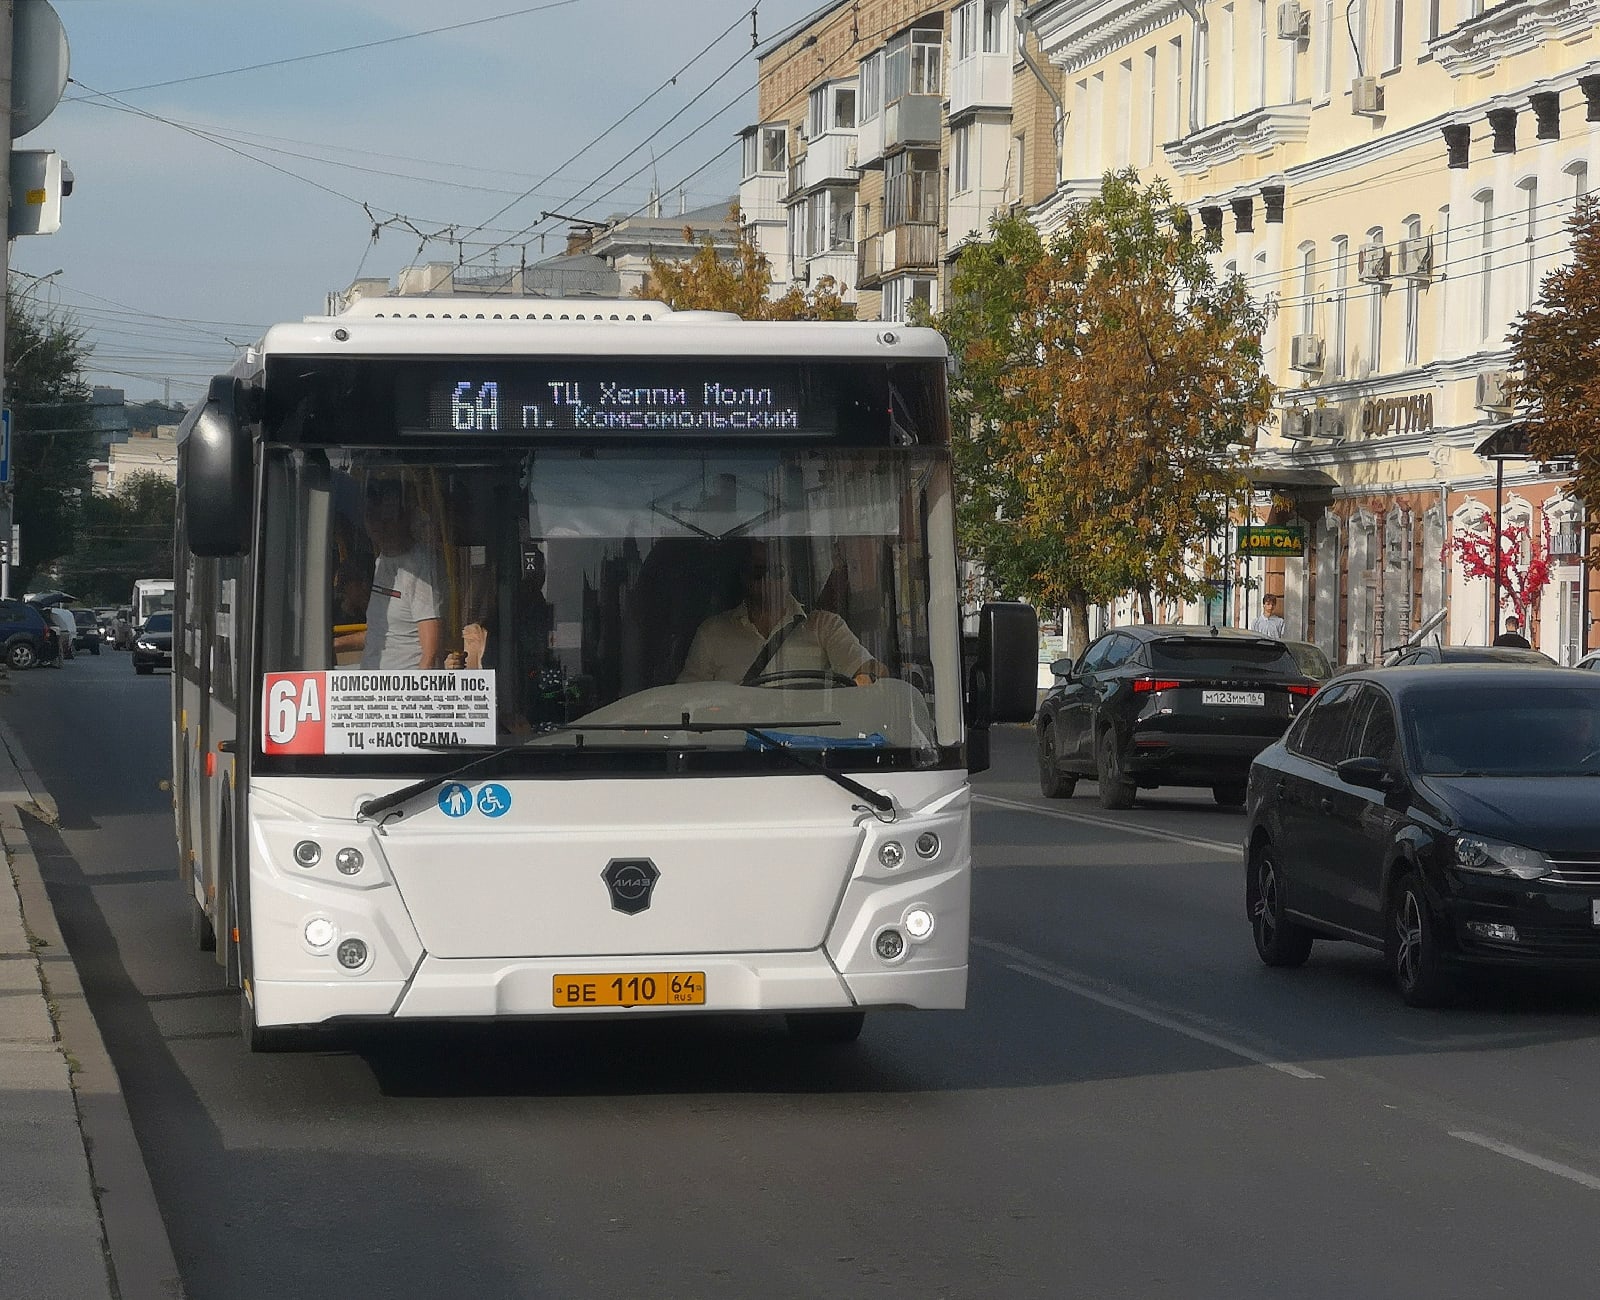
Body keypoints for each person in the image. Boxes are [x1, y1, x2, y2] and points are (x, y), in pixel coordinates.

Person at [678, 541, 887, 686]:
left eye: (777, 571)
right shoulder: (712, 633)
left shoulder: (825, 627)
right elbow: (686, 698)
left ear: (789, 576)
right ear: (743, 577)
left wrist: (865, 679)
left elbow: (871, 669)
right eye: (759, 572)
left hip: (808, 746)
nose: (769, 581)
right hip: (734, 745)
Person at [342, 478, 443, 670]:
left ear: (404, 518)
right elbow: (385, 632)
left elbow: (431, 654)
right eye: (371, 515)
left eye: (387, 516)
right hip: (374, 687)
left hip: (402, 692)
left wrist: (417, 697)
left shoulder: (419, 568)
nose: (377, 524)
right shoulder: (382, 560)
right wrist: (337, 643)